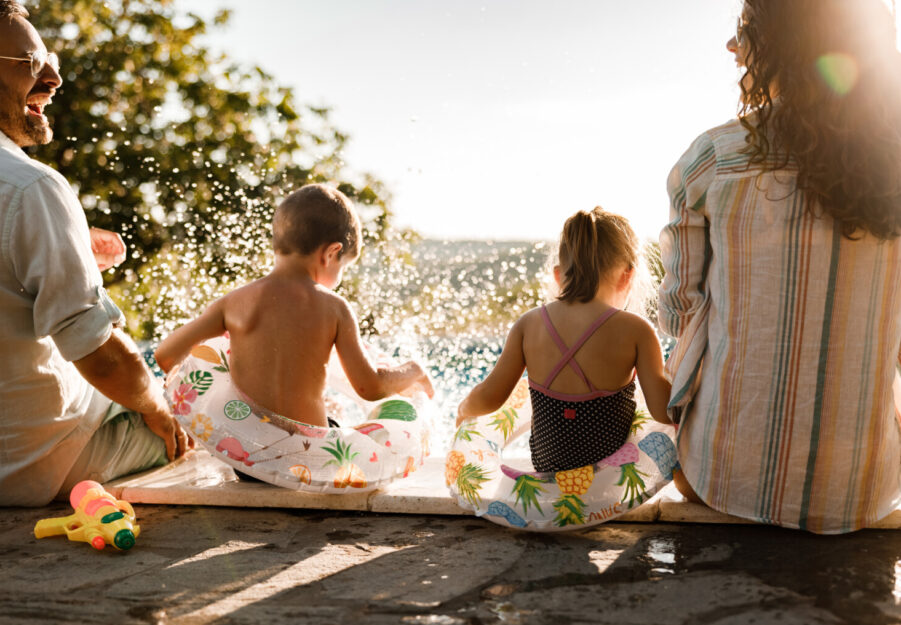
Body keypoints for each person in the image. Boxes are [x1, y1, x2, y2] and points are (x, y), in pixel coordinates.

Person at [659, 0, 901, 533]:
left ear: (782, 44)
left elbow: (681, 318)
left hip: (725, 478)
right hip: (862, 489)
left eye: (746, 30)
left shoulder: (713, 158)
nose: (732, 45)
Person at [0, 1, 190, 506]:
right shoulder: (30, 187)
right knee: (194, 406)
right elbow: (99, 354)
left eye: (51, 60)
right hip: (34, 461)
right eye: (30, 63)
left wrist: (69, 244)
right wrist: (157, 408)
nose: (54, 79)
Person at [155, 184, 434, 431]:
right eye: (344, 267)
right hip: (309, 454)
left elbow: (166, 357)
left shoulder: (233, 302)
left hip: (248, 457)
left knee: (324, 406)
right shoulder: (334, 308)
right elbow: (370, 387)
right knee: (341, 420)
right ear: (331, 253)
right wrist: (413, 369)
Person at [456, 207, 671, 472]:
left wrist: (464, 407)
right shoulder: (637, 330)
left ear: (558, 276)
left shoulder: (528, 324)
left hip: (549, 469)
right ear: (628, 276)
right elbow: (663, 411)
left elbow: (489, 397)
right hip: (611, 478)